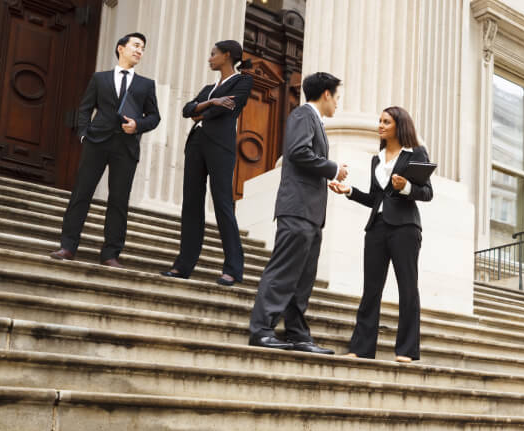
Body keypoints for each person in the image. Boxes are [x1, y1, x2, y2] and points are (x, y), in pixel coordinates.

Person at [247, 72, 348, 352]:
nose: (338, 103)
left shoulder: (315, 120)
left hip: (312, 213)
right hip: (297, 209)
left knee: (303, 279)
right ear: (326, 94)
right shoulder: (303, 115)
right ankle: (261, 330)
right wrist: (333, 168)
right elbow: (299, 152)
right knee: (283, 272)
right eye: (337, 97)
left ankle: (296, 333)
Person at [328, 106, 433, 363]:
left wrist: (406, 186)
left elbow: (427, 192)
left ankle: (407, 350)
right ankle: (362, 348)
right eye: (380, 121)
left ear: (400, 125)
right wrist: (349, 190)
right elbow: (376, 198)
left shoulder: (415, 152)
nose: (381, 125)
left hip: (405, 228)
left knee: (408, 288)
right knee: (371, 289)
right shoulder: (378, 157)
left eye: (386, 121)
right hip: (376, 227)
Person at [51, 32, 161, 267]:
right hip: (96, 142)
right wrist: (83, 134)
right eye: (135, 45)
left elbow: (154, 117)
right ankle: (68, 246)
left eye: (143, 48)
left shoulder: (146, 85)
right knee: (81, 194)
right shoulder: (99, 78)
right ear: (121, 48)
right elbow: (85, 108)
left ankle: (111, 254)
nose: (139, 50)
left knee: (119, 201)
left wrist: (137, 125)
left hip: (126, 147)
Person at [162, 40, 255, 286]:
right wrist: (212, 102)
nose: (209, 58)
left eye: (213, 54)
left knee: (223, 203)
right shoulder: (208, 88)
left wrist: (202, 110)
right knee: (191, 204)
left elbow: (230, 107)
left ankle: (233, 269)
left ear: (226, 55)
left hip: (220, 146)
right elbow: (187, 110)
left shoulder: (244, 81)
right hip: (196, 144)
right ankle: (183, 266)